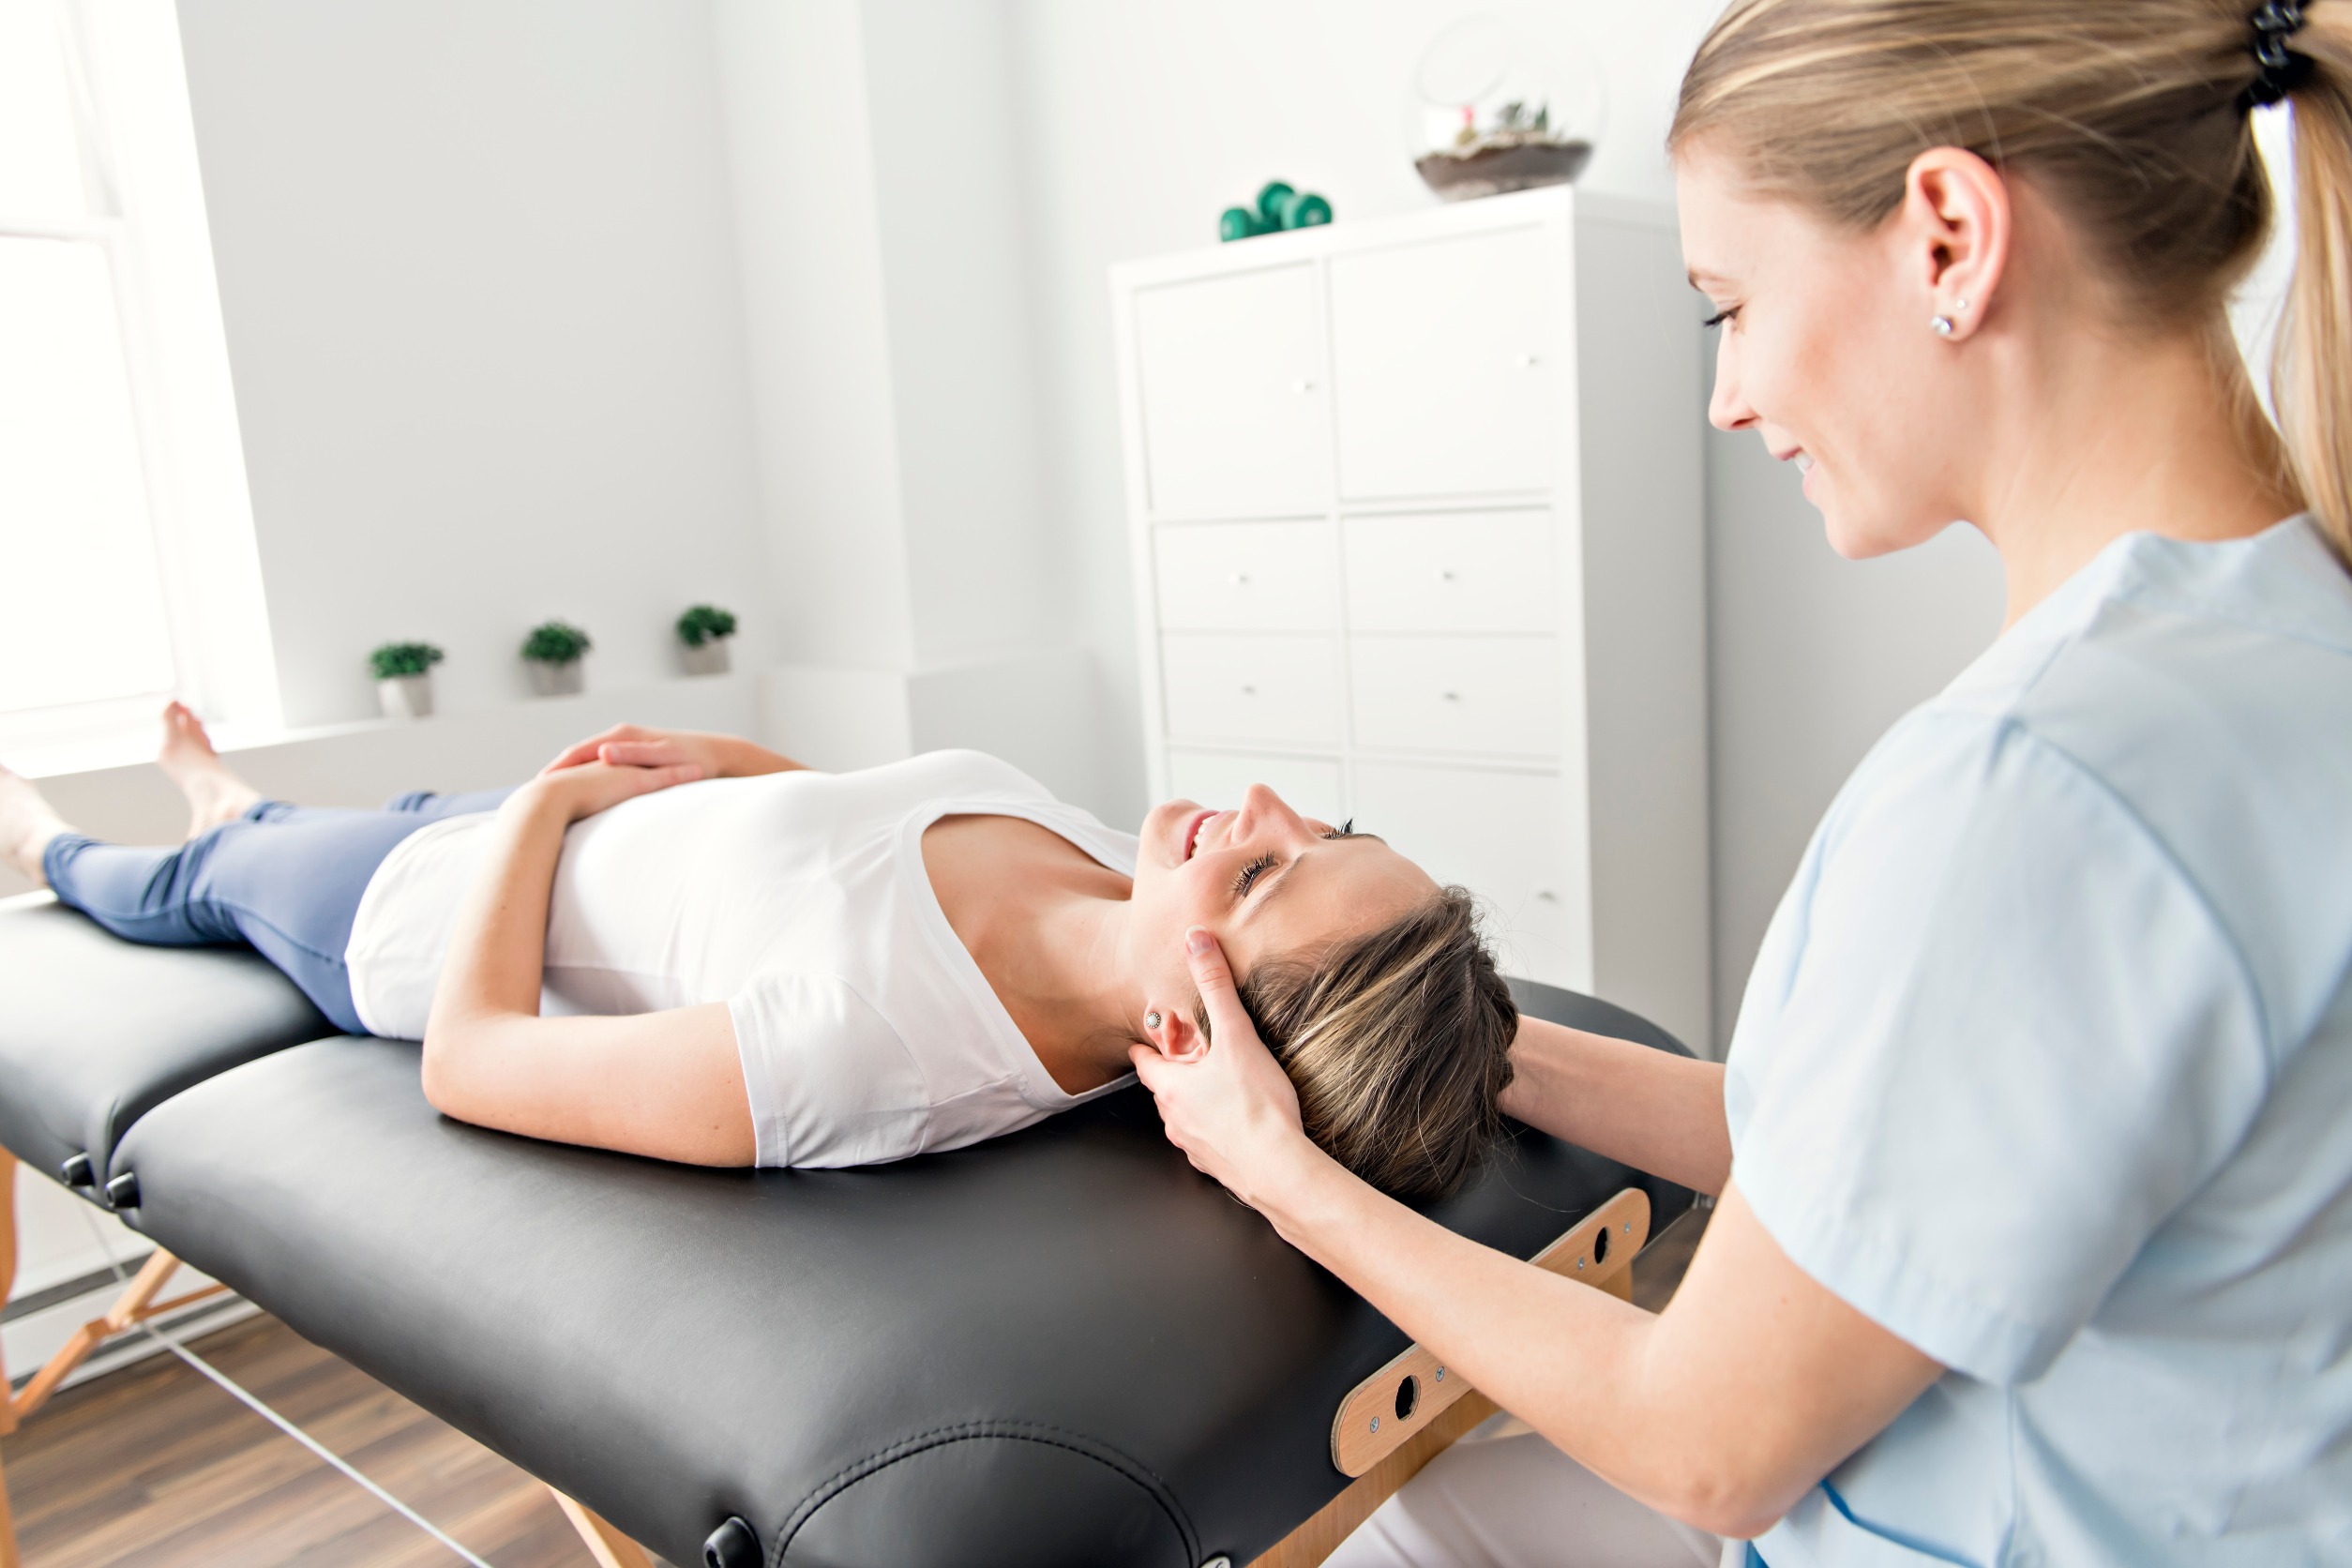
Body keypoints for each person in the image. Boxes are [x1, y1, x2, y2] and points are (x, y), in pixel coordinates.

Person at [1131, 2, 2352, 1564]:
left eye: (1732, 307)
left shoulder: (2039, 788)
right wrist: (1488, 1048)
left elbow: (1709, 1449)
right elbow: (1858, 1162)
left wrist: (1279, 1176)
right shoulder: (2277, 634)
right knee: (1433, 1517)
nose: (1729, 397)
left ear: (1948, 239)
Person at [0, 707, 1514, 1194]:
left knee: (203, 879)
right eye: (1318, 830)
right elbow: (847, 847)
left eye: (1260, 876)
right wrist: (728, 761)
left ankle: (48, 848)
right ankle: (232, 791)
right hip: (566, 828)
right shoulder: (1118, 880)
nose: (1259, 807)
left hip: (416, 912)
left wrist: (542, 810)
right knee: (305, 812)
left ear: (1197, 1039)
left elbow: (469, 1064)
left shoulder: (874, 1056)